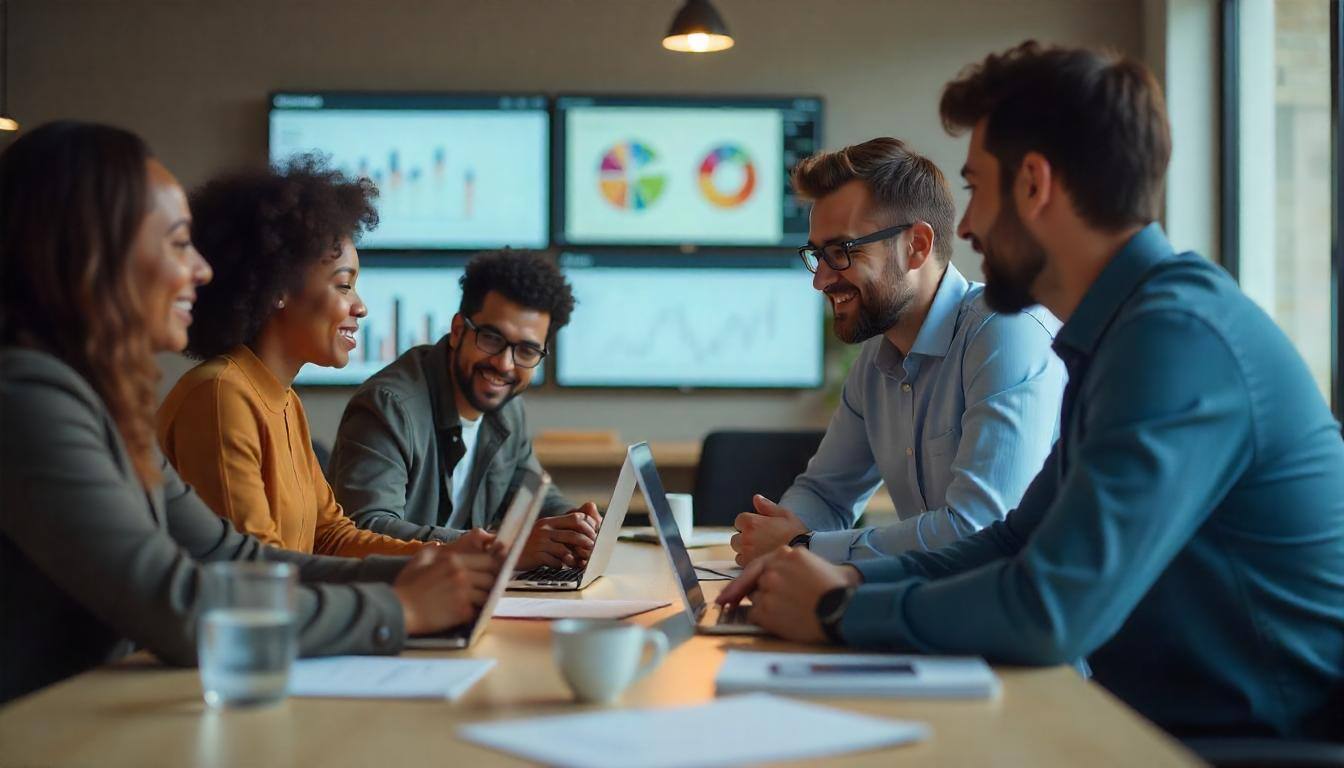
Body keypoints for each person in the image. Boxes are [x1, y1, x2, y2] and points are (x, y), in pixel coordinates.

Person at [719, 42, 1344, 740]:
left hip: (1248, 745)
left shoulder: (1176, 339)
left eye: (978, 185)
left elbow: (1050, 609)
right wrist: (851, 584)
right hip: (1158, 723)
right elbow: (1015, 538)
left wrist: (839, 609)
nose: (970, 224)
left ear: (1035, 184)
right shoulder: (1125, 331)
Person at [0, 122, 500, 703]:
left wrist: (422, 574)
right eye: (178, 243)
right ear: (94, 250)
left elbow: (233, 557)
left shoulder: (103, 404)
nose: (201, 270)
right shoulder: (26, 400)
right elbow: (182, 604)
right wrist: (401, 606)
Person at [730, 137, 1064, 565]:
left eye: (842, 252)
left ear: (917, 246)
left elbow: (978, 529)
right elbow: (825, 495)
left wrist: (802, 547)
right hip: (933, 604)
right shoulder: (875, 361)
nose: (821, 280)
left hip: (1019, 616)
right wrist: (774, 537)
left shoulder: (1006, 332)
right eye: (818, 256)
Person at [158, 157, 472, 558]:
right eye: (344, 285)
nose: (360, 307)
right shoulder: (221, 395)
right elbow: (256, 570)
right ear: (278, 288)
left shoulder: (283, 400)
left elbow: (332, 537)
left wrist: (460, 554)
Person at [329, 250, 602, 572]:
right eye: (491, 338)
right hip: (398, 600)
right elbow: (365, 530)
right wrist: (500, 550)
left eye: (526, 350)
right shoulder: (388, 406)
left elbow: (532, 496)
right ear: (459, 330)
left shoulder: (508, 409)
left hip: (457, 593)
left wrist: (577, 527)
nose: (504, 364)